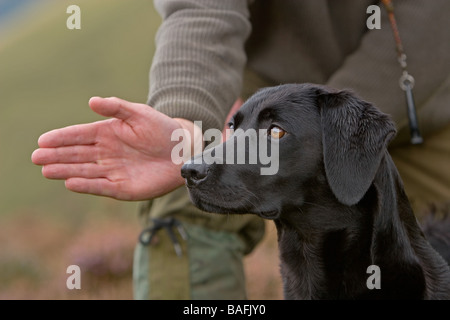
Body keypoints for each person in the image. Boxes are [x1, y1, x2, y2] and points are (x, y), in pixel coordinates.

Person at [31, 0, 450, 299]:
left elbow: (432, 18)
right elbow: (201, 10)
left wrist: (330, 128)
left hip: (419, 102)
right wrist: (183, 125)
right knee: (183, 205)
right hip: (259, 98)